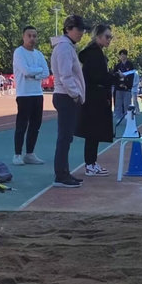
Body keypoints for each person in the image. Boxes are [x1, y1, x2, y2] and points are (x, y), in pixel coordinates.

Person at [76, 24, 123, 177]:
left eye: (111, 37)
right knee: (92, 132)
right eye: (107, 37)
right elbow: (98, 77)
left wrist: (112, 76)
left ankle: (92, 162)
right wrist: (115, 77)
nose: (109, 40)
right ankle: (89, 164)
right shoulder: (94, 54)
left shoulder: (96, 53)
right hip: (94, 98)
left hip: (96, 96)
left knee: (94, 132)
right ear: (98, 36)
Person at [51, 14, 88, 188]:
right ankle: (61, 175)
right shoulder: (64, 48)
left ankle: (64, 172)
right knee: (64, 138)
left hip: (66, 96)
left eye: (82, 29)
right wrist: (75, 94)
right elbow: (65, 76)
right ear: (68, 29)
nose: (81, 32)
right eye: (78, 29)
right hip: (66, 96)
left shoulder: (66, 47)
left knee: (66, 138)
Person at [12, 25, 50, 166]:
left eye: (34, 36)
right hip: (24, 94)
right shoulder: (19, 52)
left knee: (35, 125)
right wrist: (37, 72)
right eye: (29, 35)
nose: (32, 38)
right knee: (22, 125)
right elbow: (26, 71)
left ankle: (30, 153)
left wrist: (35, 74)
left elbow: (46, 72)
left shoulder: (39, 54)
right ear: (23, 37)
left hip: (37, 94)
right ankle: (17, 154)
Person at [113, 49, 134, 124]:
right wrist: (118, 80)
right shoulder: (117, 66)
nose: (122, 56)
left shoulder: (130, 65)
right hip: (119, 87)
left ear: (126, 55)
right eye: (121, 55)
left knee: (126, 104)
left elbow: (131, 75)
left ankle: (127, 118)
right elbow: (114, 75)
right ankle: (119, 117)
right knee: (118, 104)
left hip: (127, 87)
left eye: (123, 55)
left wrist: (126, 81)